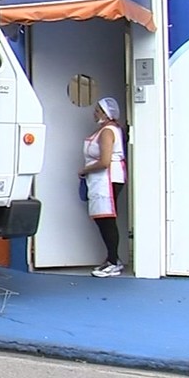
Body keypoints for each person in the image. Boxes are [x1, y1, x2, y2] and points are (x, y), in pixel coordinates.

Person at [80, 97, 127, 277]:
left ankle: (113, 262)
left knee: (107, 219)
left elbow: (105, 161)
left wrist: (84, 170)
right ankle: (112, 258)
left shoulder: (107, 131)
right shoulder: (105, 130)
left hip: (107, 179)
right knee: (103, 219)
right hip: (100, 179)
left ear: (106, 114)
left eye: (98, 110)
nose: (95, 113)